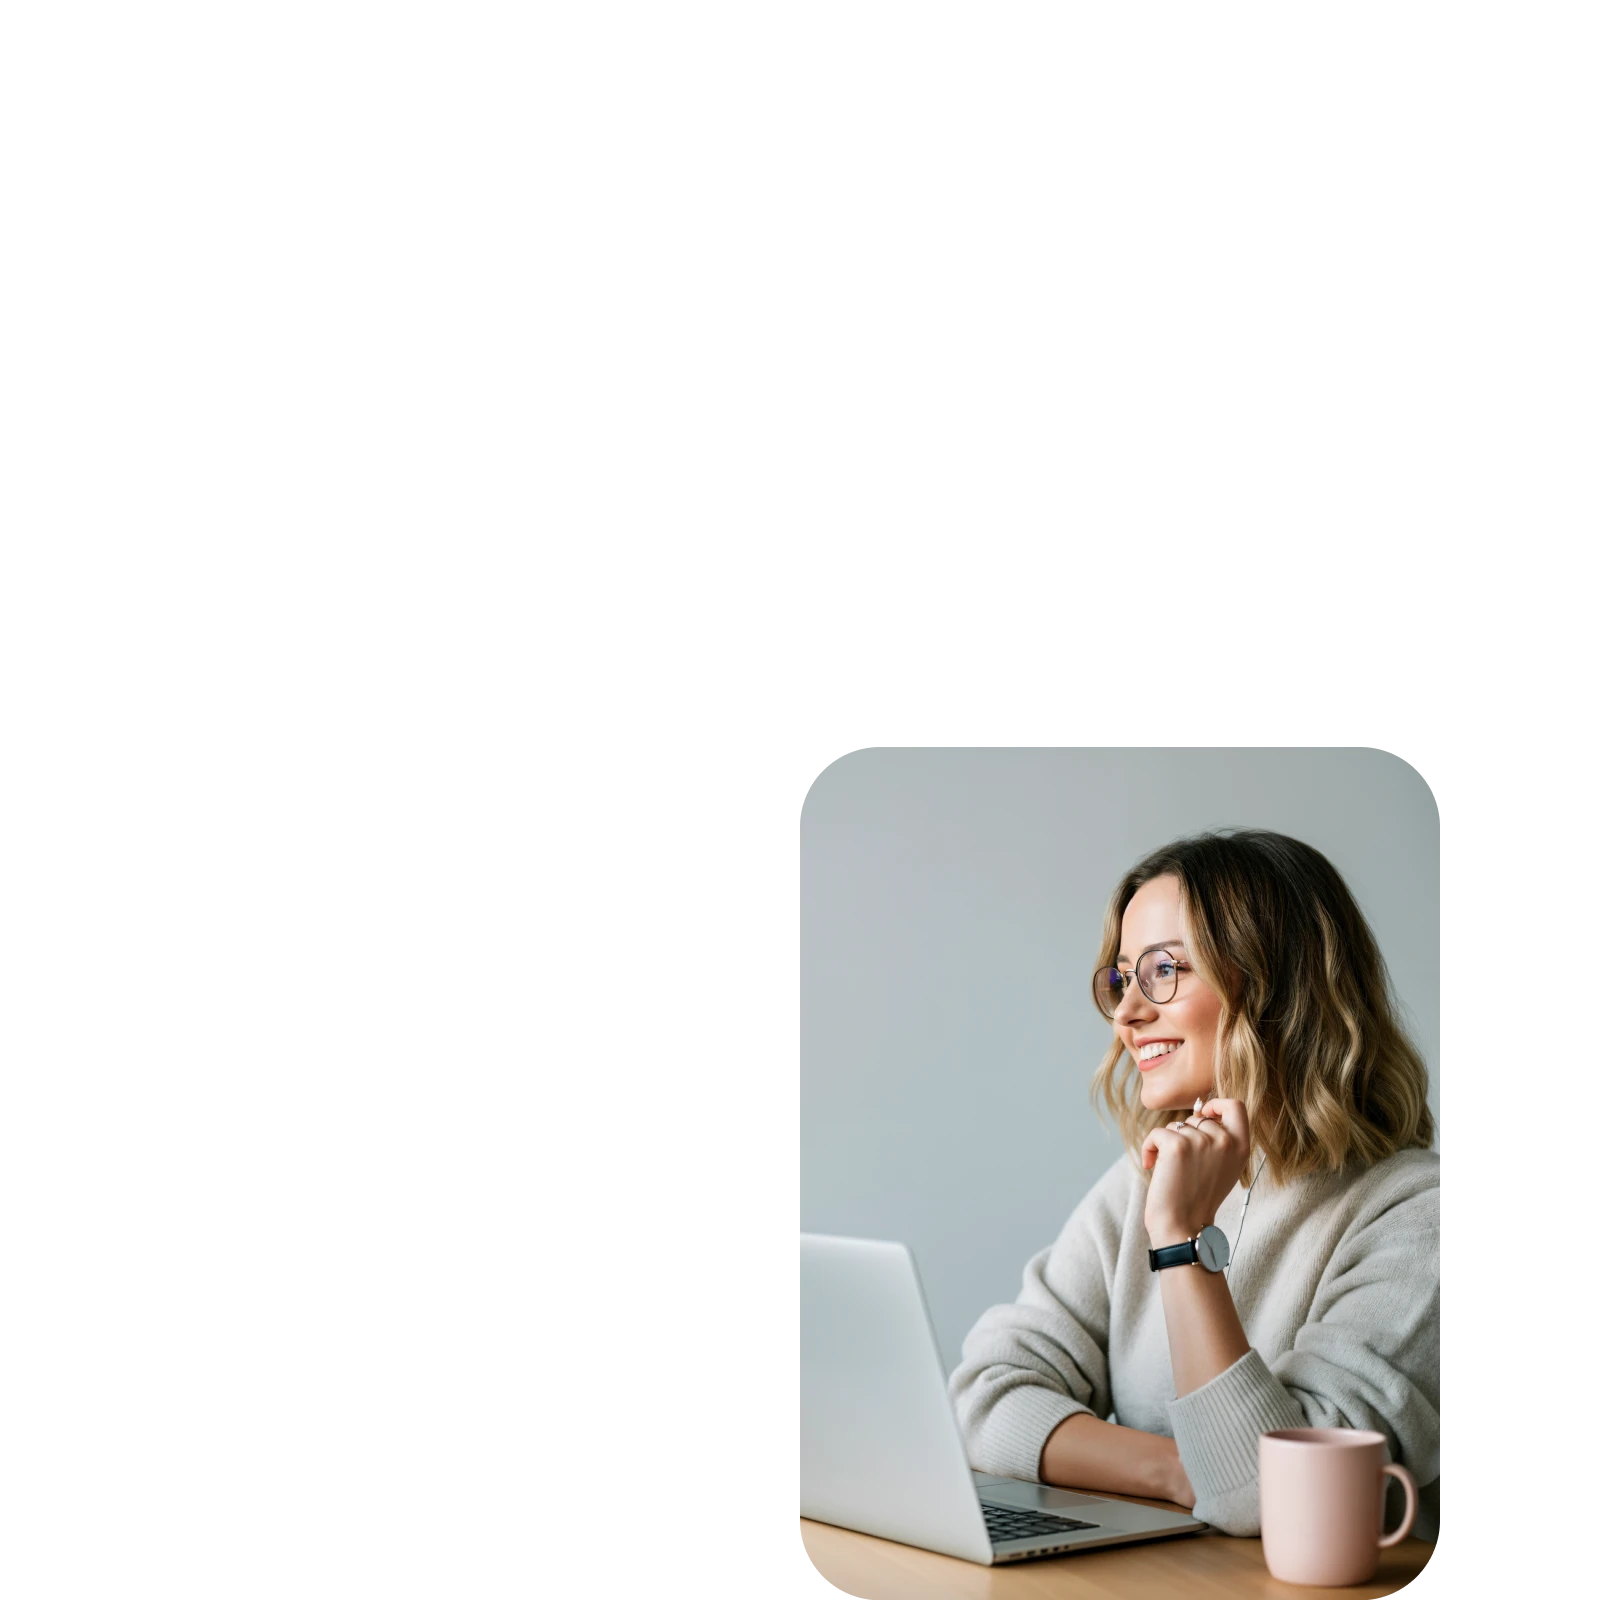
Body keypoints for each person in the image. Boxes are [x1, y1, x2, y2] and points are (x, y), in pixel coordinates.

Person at [948, 829, 1439, 1540]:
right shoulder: (1142, 1182)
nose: (1126, 1014)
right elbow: (986, 1399)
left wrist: (1181, 1243)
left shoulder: (1418, 1218)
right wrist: (1181, 1471)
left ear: (1276, 987)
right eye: (1123, 978)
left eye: (1166, 970)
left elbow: (1277, 1505)